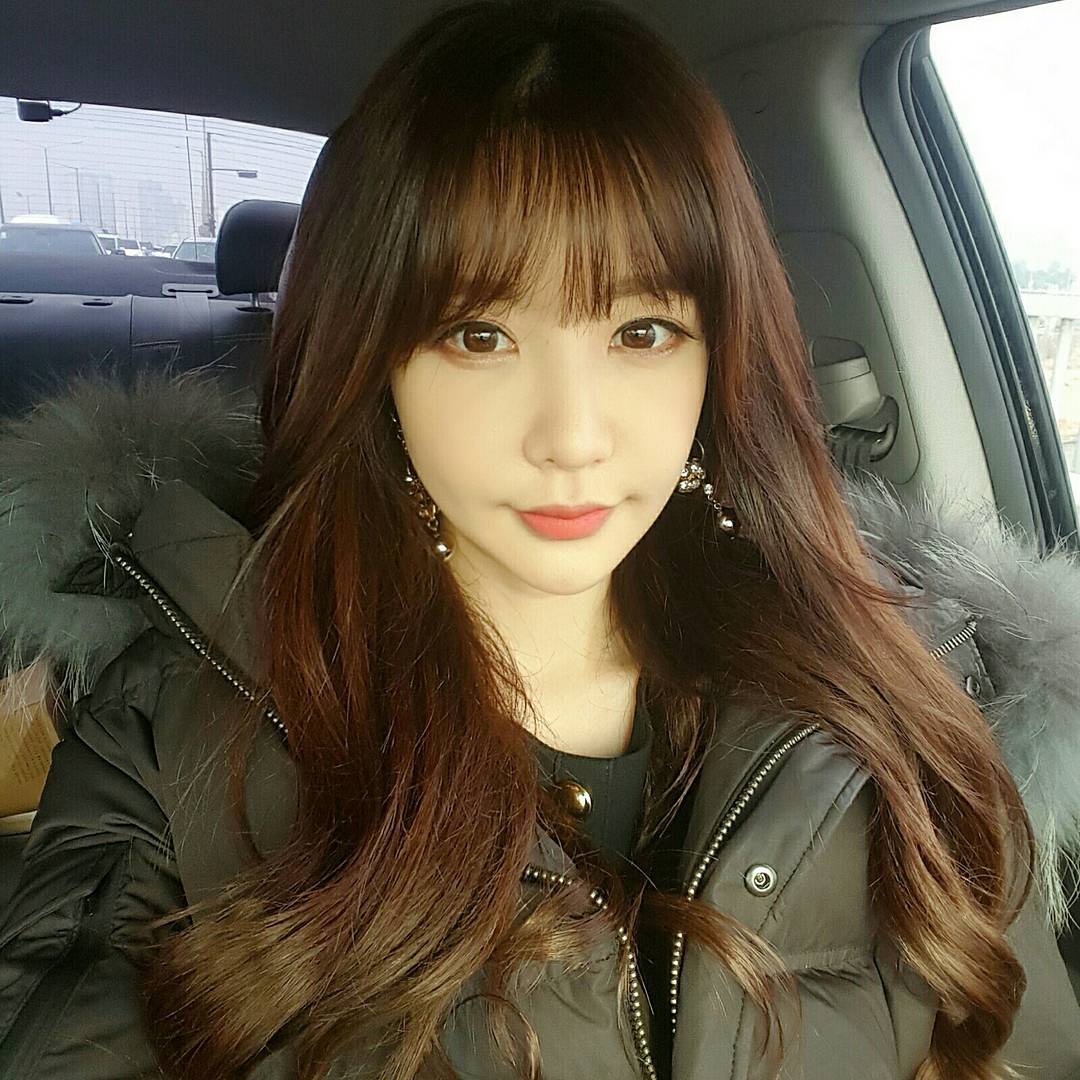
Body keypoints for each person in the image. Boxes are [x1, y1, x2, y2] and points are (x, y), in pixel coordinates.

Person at [1, 1, 1079, 1077]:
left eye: (642, 332)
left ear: (720, 358)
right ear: (377, 364)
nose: (572, 436)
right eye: (480, 336)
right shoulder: (179, 734)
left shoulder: (899, 694)